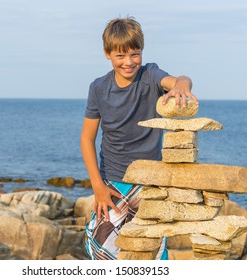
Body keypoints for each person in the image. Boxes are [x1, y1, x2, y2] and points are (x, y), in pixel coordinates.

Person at [80, 16, 198, 260]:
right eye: (120, 56)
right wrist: (97, 186)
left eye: (135, 54)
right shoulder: (98, 88)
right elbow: (86, 138)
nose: (128, 62)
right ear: (107, 53)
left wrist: (181, 86)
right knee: (99, 249)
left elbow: (180, 80)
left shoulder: (150, 75)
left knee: (151, 250)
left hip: (150, 183)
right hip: (112, 182)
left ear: (142, 52)